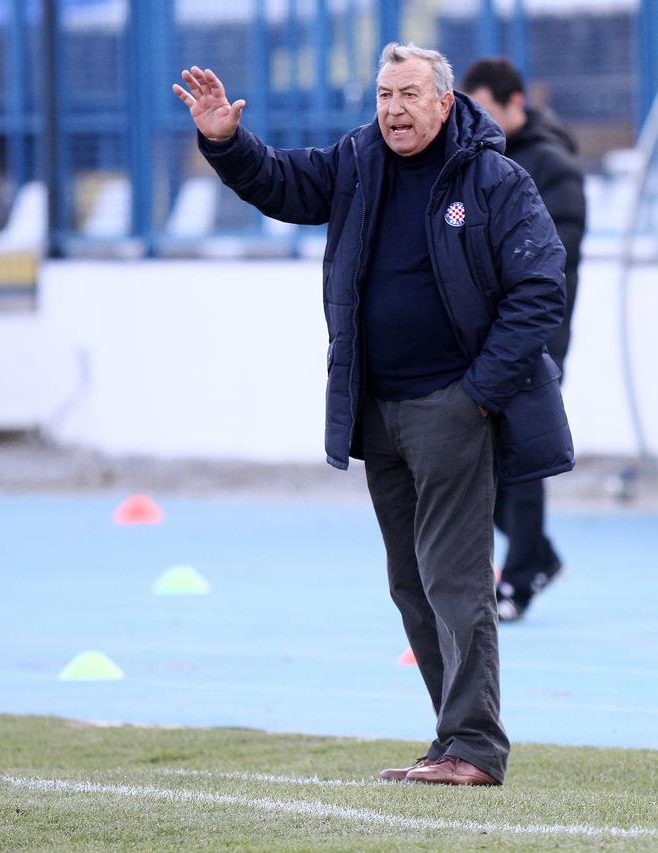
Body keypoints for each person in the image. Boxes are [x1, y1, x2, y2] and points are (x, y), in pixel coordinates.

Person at [173, 43, 572, 787]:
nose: (393, 109)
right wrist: (226, 142)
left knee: (454, 578)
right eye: (385, 94)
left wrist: (477, 392)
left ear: (445, 103)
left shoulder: (495, 179)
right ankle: (453, 739)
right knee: (411, 583)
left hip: (453, 406)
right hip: (377, 409)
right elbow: (286, 186)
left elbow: (541, 288)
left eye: (409, 94)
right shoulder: (359, 161)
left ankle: (476, 748)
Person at [461, 57, 586, 622]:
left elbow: (548, 262)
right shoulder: (473, 162)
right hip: (477, 334)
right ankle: (537, 555)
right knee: (470, 454)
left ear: (516, 104)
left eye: (486, 109)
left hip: (535, 332)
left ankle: (519, 579)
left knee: (523, 451)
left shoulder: (552, 167)